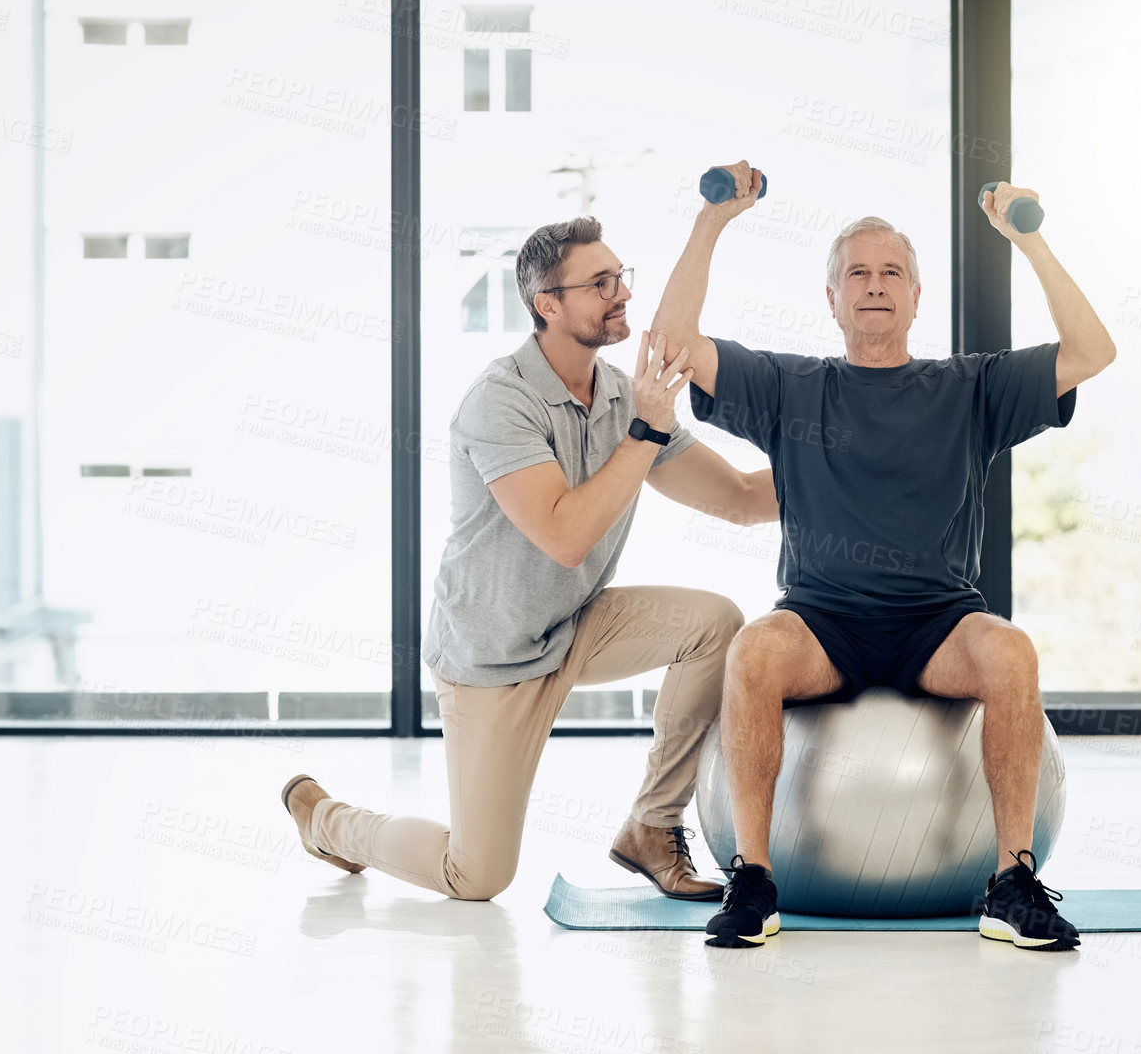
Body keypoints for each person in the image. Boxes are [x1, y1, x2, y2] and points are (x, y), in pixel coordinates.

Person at [651, 163, 1116, 951]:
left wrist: (1027, 241)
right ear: (830, 299)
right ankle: (755, 881)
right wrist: (710, 223)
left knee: (1009, 649)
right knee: (754, 648)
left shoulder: (969, 388)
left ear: (914, 296)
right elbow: (672, 346)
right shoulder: (790, 386)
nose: (874, 284)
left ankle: (1011, 882)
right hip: (822, 621)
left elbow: (1092, 351)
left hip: (936, 622)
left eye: (891, 271)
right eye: (856, 273)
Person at [280, 206, 774, 902]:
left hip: (573, 624)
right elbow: (564, 534)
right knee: (476, 874)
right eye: (601, 283)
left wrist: (856, 464)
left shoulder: (623, 399)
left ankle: (651, 826)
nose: (623, 293)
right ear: (548, 304)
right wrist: (645, 432)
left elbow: (741, 498)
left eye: (620, 277)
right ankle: (326, 820)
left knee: (714, 621)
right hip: (493, 656)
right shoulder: (500, 402)